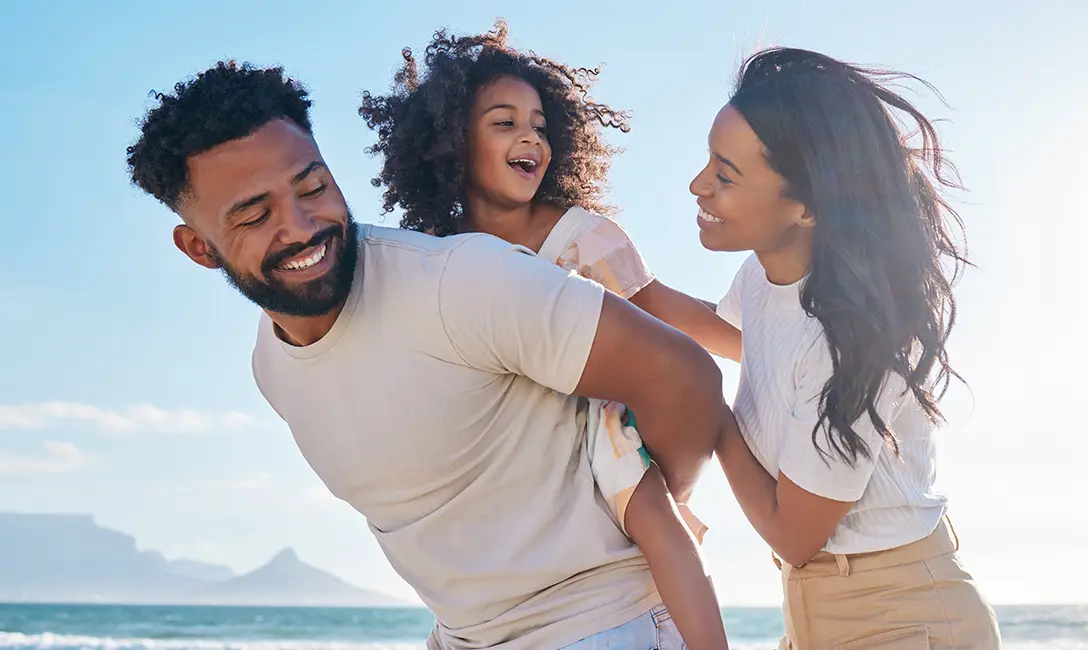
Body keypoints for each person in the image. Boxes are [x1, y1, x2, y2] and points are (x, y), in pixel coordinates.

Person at [126, 59, 731, 650]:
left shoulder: (458, 281)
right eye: (256, 215)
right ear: (199, 247)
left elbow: (686, 378)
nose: (302, 225)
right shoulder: (272, 367)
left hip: (599, 626)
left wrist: (643, 501)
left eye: (313, 187)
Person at [357, 22, 738, 649]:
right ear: (452, 142)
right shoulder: (445, 259)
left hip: (595, 422)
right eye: (504, 123)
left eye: (538, 124)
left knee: (655, 522)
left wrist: (764, 340)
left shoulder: (579, 237)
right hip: (508, 443)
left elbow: (662, 309)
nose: (529, 135)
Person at [691, 47, 1003, 649]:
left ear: (807, 206)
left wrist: (705, 409)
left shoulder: (854, 340)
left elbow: (794, 534)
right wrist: (615, 279)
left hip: (901, 619)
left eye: (725, 174)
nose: (698, 185)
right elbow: (733, 336)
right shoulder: (767, 278)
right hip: (816, 613)